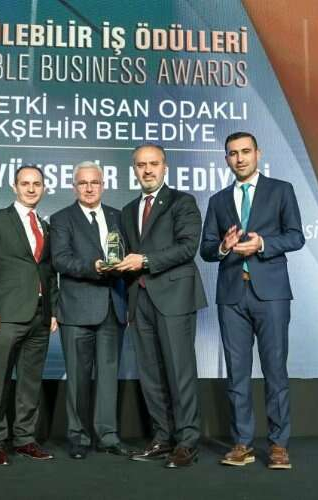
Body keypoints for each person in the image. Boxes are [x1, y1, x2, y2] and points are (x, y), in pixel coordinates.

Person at [200, 131, 305, 470]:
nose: (240, 158)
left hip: (272, 295)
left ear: (258, 154)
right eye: (233, 153)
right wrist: (223, 246)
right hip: (232, 296)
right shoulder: (218, 200)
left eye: (246, 151)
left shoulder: (281, 190)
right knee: (237, 373)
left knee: (275, 370)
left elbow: (296, 237)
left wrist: (262, 244)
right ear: (226, 159)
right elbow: (206, 249)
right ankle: (242, 443)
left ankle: (278, 445)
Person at [113, 144, 208, 468]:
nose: (148, 170)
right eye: (141, 165)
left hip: (174, 298)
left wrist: (145, 260)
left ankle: (187, 442)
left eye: (153, 163)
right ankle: (162, 438)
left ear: (165, 167)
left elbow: (187, 247)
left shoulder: (182, 202)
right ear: (134, 170)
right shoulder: (128, 211)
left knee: (180, 372)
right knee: (150, 375)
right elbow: (125, 255)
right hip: (139, 301)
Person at [0, 165, 59, 466]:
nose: (31, 188)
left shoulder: (46, 226)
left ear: (44, 188)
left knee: (30, 383)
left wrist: (53, 311)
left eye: (37, 184)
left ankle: (24, 439)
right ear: (14, 187)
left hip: (40, 316)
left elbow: (48, 272)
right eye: (25, 183)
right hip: (6, 315)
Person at [49, 161, 131, 460]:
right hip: (76, 310)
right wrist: (93, 267)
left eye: (94, 182)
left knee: (109, 377)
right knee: (78, 379)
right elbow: (60, 260)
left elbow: (127, 258)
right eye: (83, 183)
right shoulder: (61, 218)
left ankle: (108, 436)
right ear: (74, 187)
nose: (89, 188)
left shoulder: (118, 217)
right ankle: (78, 437)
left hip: (112, 307)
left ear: (103, 185)